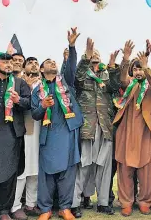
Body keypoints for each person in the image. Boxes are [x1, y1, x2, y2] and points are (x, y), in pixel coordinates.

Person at [31, 30, 83, 220]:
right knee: (47, 173)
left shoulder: (65, 82)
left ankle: (64, 208)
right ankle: (45, 209)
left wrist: (71, 46)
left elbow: (71, 68)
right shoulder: (38, 90)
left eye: (54, 62)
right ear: (42, 70)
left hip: (68, 133)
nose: (52, 63)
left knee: (68, 172)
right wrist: (43, 106)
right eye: (48, 62)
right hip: (48, 135)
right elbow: (35, 114)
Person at [109, 41, 151, 217]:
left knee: (146, 167)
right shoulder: (128, 84)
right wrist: (125, 59)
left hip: (146, 131)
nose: (138, 71)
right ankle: (126, 202)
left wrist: (147, 68)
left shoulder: (150, 82)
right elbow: (122, 78)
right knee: (124, 168)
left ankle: (145, 201)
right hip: (126, 130)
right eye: (136, 69)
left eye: (141, 69)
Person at [71, 37, 116, 217]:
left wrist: (112, 66)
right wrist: (86, 57)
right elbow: (77, 76)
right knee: (83, 165)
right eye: (92, 55)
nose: (95, 57)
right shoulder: (83, 76)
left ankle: (103, 203)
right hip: (88, 128)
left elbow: (116, 85)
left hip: (105, 128)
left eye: (97, 55)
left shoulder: (106, 75)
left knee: (104, 167)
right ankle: (75, 203)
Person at [0, 53, 31, 220]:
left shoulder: (20, 83)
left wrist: (19, 100)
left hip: (12, 134)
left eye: (11, 62)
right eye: (5, 61)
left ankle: (4, 211)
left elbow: (30, 103)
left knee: (9, 173)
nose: (9, 64)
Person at [11, 57, 43, 220]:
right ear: (24, 67)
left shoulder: (44, 84)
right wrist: (29, 87)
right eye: (30, 63)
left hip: (42, 133)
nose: (34, 65)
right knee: (23, 170)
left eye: (36, 63)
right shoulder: (19, 82)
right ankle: (15, 206)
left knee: (35, 171)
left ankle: (31, 204)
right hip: (26, 131)